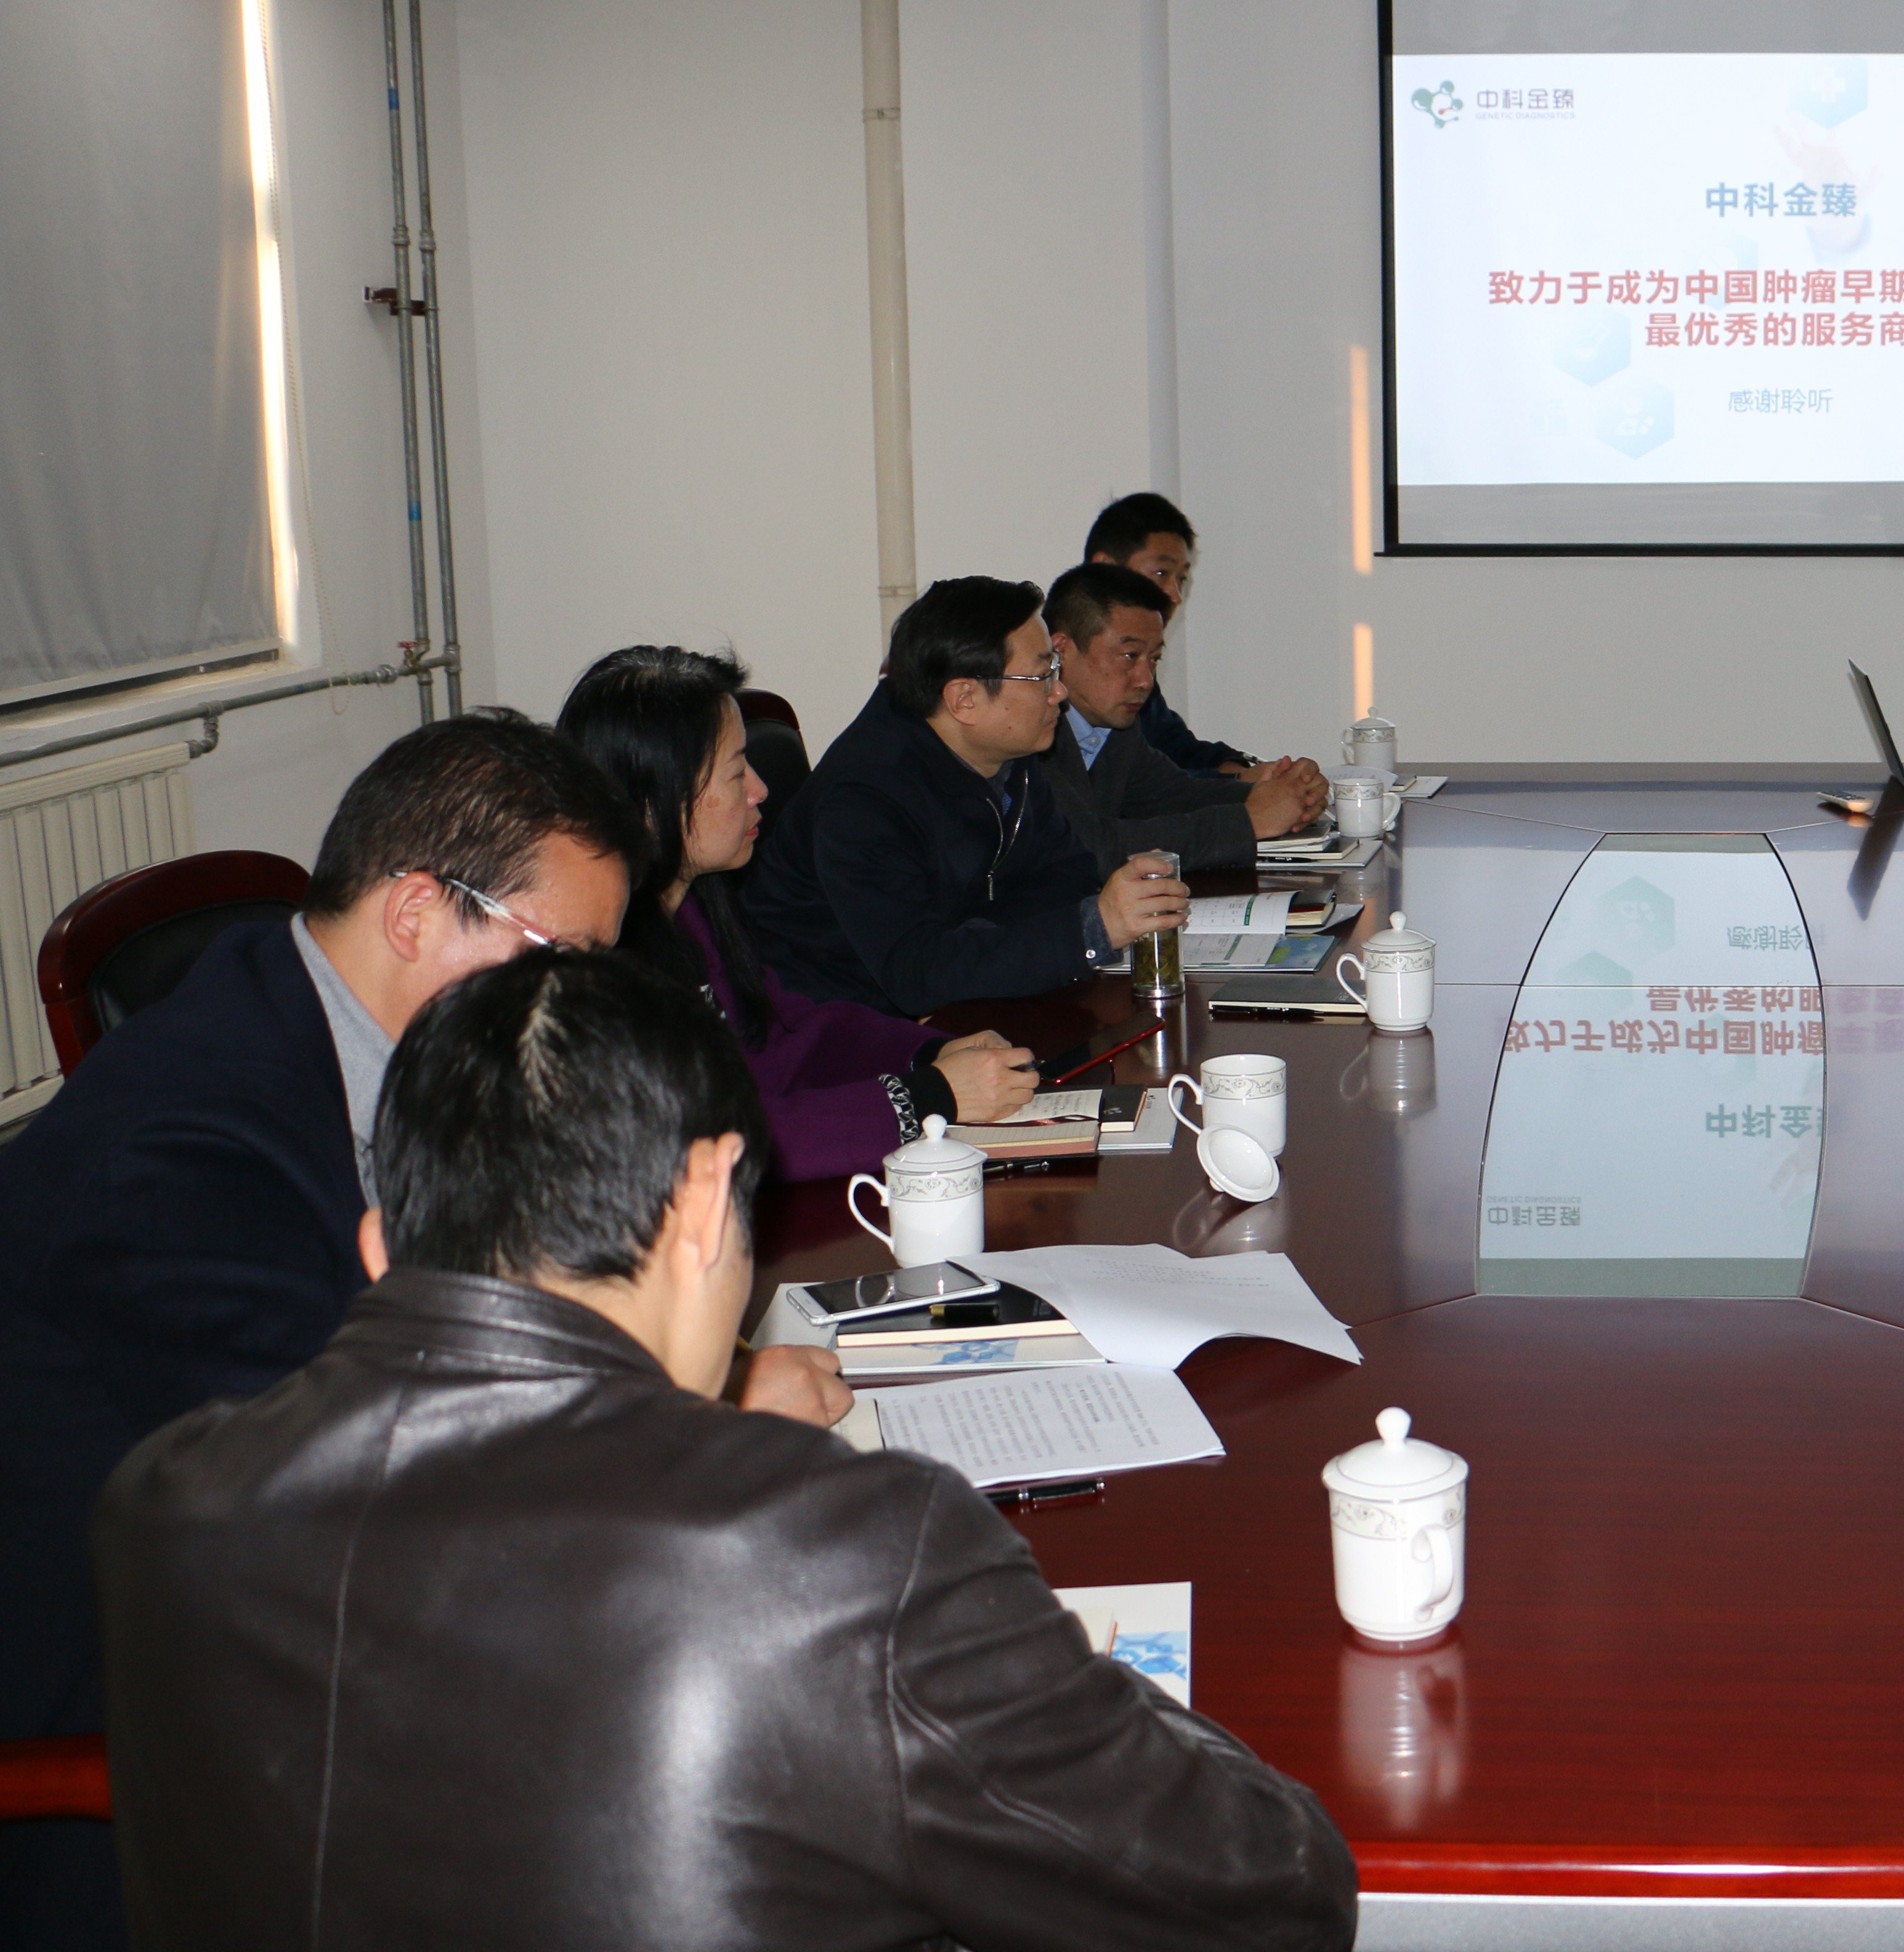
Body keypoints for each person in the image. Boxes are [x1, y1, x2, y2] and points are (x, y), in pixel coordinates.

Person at [94, 950, 1359, 1951]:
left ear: (382, 1245)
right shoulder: (851, 1551)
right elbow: (1269, 1893)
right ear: (706, 1203)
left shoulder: (162, 1504)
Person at [0, 715, 633, 1952]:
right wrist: (689, 1426)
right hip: (154, 1718)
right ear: (415, 913)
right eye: (561, 961)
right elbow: (366, 1488)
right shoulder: (179, 1153)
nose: (577, 1007)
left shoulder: (349, 1033)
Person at [558, 644, 1046, 1178]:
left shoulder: (693, 909)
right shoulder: (594, 961)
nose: (761, 790)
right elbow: (697, 1145)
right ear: (657, 798)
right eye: (737, 773)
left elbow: (787, 1034)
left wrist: (930, 1054)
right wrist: (926, 1097)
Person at [743, 576, 1191, 1018]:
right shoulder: (864, 798)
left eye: (1053, 670)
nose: (1060, 692)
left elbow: (1067, 873)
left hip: (965, 1004)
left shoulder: (1008, 750)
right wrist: (1091, 930)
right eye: (1041, 676)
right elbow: (916, 973)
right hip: (836, 1028)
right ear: (964, 700)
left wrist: (983, 944)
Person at [1041, 564, 1326, 872]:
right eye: (1130, 656)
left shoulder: (1115, 728)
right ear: (1062, 651)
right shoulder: (1031, 732)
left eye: (1154, 659)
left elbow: (1172, 794)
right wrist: (1247, 821)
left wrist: (1282, 796)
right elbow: (1085, 847)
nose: (1146, 681)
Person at [1085, 492, 1259, 780]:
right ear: (1104, 568)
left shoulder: (1140, 664)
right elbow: (1132, 788)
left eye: (1181, 579)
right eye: (1161, 573)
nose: (1175, 596)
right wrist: (1239, 784)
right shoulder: (1064, 669)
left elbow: (1174, 747)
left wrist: (1245, 773)